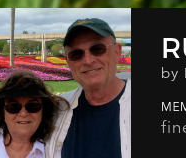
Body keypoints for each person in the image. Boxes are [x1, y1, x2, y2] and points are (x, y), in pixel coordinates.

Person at [45, 19, 130, 158]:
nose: (88, 60)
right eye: (76, 54)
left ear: (117, 52)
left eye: (97, 49)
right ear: (68, 62)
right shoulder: (57, 108)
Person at [0, 71, 68, 158]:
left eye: (33, 106)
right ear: (2, 112)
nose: (23, 114)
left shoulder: (55, 151)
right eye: (13, 106)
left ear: (43, 111)